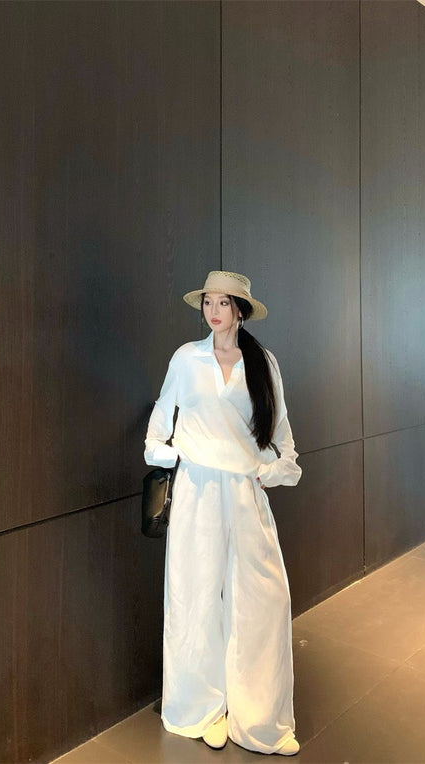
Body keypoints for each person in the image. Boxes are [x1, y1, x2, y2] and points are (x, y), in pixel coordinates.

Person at [144, 270, 302, 756]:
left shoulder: (263, 363)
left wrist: (267, 473)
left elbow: (284, 441)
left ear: (240, 310)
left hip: (245, 493)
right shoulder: (186, 359)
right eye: (208, 302)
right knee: (194, 599)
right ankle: (201, 709)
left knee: (262, 602)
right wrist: (182, 458)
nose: (213, 311)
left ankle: (259, 719)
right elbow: (157, 432)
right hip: (197, 493)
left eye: (223, 303)